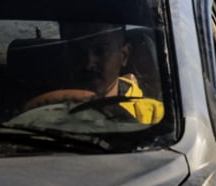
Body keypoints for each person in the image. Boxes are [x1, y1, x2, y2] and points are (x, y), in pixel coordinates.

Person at [25, 21, 164, 124]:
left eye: (101, 51)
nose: (88, 63)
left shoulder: (153, 117)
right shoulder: (33, 116)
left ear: (124, 55)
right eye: (77, 51)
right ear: (64, 54)